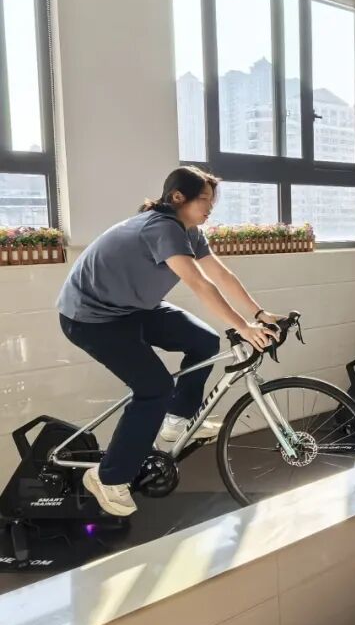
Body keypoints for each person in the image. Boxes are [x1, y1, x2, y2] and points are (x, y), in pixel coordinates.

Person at [57, 167, 280, 517]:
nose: (210, 207)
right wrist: (244, 327)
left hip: (132, 309)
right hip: (91, 318)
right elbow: (200, 284)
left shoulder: (190, 232)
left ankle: (176, 422)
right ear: (178, 197)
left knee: (204, 341)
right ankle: (107, 477)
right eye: (204, 199)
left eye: (212, 200)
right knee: (154, 388)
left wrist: (259, 313)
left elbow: (220, 274)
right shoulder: (162, 227)